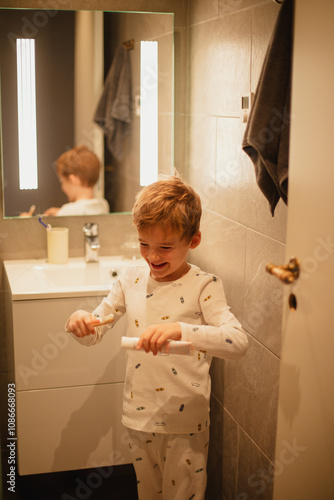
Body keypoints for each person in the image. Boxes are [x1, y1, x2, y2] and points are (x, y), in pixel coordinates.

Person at [65, 176, 248, 500]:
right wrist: (81, 322)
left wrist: (182, 330)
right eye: (143, 244)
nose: (153, 256)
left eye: (165, 247)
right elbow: (97, 327)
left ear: (193, 240)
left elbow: (237, 342)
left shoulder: (204, 286)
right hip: (139, 415)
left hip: (185, 421)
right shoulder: (130, 279)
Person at [43, 145, 110, 216]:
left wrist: (58, 214)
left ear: (72, 180)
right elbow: (83, 210)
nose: (62, 187)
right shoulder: (103, 205)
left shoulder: (67, 210)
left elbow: (75, 211)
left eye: (62, 182)